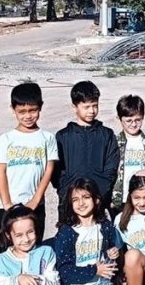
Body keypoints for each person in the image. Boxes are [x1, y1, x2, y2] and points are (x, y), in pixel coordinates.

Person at [0, 83, 59, 249]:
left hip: (34, 205)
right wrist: (7, 204)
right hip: (5, 207)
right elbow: (0, 172)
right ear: (13, 110)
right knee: (5, 252)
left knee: (33, 248)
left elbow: (48, 170)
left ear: (40, 108)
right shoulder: (5, 139)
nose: (28, 116)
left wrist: (35, 200)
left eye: (32, 110)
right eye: (22, 112)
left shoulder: (47, 138)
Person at [55, 81, 120, 221]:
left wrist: (98, 195)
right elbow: (57, 171)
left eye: (95, 106)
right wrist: (67, 191)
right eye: (86, 107)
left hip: (99, 202)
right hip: (69, 203)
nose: (92, 111)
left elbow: (111, 168)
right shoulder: (63, 136)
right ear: (74, 107)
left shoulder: (106, 135)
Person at [53, 177, 121, 285]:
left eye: (86, 197)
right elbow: (64, 271)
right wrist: (94, 270)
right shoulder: (66, 232)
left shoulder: (105, 226)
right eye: (75, 200)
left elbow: (112, 252)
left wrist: (113, 253)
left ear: (96, 200)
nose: (81, 203)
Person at [113, 95, 145, 216]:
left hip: (144, 199)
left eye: (138, 120)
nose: (134, 124)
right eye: (128, 121)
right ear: (119, 119)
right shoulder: (114, 142)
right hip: (121, 199)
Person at [0, 205, 59, 284]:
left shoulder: (46, 252)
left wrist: (35, 280)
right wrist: (17, 280)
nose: (26, 239)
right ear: (8, 236)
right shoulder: (1, 260)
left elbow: (55, 281)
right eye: (19, 235)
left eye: (30, 232)